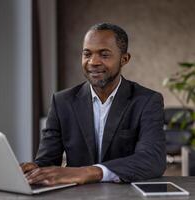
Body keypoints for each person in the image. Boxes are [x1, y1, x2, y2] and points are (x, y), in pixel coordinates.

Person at [21, 23, 166, 186]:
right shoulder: (62, 101)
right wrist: (34, 168)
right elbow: (48, 161)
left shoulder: (147, 101)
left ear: (124, 59)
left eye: (104, 55)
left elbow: (153, 160)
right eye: (87, 54)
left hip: (125, 194)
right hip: (77, 195)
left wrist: (90, 172)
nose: (93, 62)